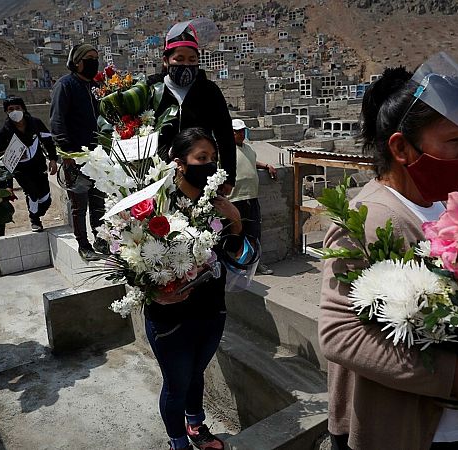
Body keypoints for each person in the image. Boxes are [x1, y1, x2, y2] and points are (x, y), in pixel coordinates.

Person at [319, 64, 458, 450]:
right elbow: (339, 333)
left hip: (438, 424)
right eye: (454, 141)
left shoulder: (438, 205)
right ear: (401, 148)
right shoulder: (370, 218)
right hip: (400, 428)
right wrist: (454, 376)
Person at [148, 128, 242, 450]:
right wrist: (155, 292)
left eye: (213, 159)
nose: (210, 165)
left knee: (197, 372)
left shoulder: (217, 204)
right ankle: (178, 442)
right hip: (170, 315)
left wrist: (236, 221)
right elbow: (131, 263)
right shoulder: (156, 206)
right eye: (201, 158)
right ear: (180, 163)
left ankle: (195, 425)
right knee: (177, 384)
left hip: (211, 310)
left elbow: (241, 257)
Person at [149, 20, 236, 196]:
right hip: (158, 176)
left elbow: (225, 134)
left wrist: (228, 176)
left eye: (192, 59)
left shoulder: (209, 91)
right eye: (179, 59)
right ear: (166, 60)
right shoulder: (152, 89)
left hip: (201, 175)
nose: (186, 64)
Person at [50, 43, 108, 260]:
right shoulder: (65, 85)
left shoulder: (95, 86)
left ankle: (101, 239)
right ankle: (83, 245)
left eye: (96, 57)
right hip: (76, 157)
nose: (94, 61)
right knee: (79, 205)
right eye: (89, 58)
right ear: (76, 62)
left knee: (98, 201)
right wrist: (67, 153)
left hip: (98, 156)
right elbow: (57, 121)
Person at [0, 96, 58, 232]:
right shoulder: (3, 133)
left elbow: (48, 141)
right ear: (6, 112)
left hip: (38, 165)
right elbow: (2, 160)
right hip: (21, 170)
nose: (15, 111)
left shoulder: (36, 123)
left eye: (17, 108)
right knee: (32, 193)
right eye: (10, 109)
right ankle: (34, 220)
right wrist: (7, 185)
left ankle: (38, 212)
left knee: (45, 197)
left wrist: (53, 159)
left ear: (23, 108)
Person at [229, 118, 276, 276]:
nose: (240, 134)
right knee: (236, 234)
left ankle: (256, 264)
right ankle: (237, 266)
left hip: (251, 197)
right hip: (234, 199)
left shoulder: (249, 149)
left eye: (242, 131)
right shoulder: (225, 149)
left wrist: (267, 166)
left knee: (254, 232)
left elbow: (252, 162)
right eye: (237, 132)